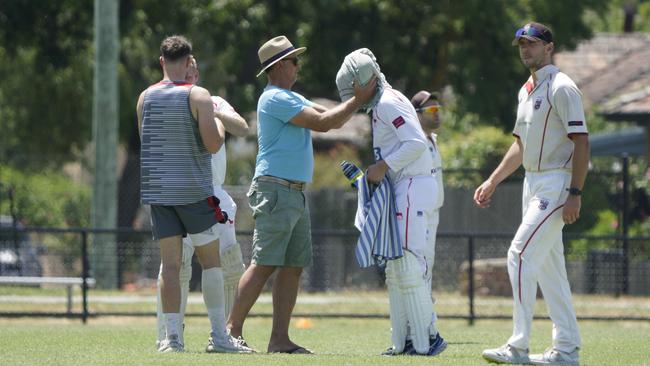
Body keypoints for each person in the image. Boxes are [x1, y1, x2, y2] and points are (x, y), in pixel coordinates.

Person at [225, 35, 377, 354]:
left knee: (293, 266)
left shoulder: (291, 97)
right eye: (294, 60)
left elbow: (328, 111)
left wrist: (357, 99)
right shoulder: (275, 98)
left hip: (293, 192)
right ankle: (228, 333)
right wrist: (358, 98)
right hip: (276, 189)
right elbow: (324, 123)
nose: (298, 66)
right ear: (280, 65)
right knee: (264, 263)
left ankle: (279, 339)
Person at [474, 22, 588, 366]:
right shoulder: (526, 89)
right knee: (550, 269)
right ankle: (566, 350)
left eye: (533, 44)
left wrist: (575, 192)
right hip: (532, 183)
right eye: (522, 44)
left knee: (519, 255)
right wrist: (493, 180)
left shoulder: (562, 87)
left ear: (549, 48)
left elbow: (581, 142)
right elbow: (520, 145)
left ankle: (518, 346)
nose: (526, 50)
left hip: (556, 182)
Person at [137, 35, 247, 353]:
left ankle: (172, 339)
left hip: (160, 194)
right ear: (189, 62)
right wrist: (213, 126)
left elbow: (149, 142)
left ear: (161, 61)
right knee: (211, 265)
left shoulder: (145, 97)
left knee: (170, 267)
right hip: (194, 193)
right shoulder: (199, 95)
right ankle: (219, 336)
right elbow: (214, 145)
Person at [336, 49, 447, 357]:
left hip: (411, 184)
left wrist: (383, 166)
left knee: (409, 264)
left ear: (366, 80)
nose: (352, 98)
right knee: (397, 268)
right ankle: (404, 342)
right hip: (403, 186)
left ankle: (430, 338)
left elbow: (414, 143)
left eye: (353, 91)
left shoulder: (387, 102)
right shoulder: (381, 103)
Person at [410, 90, 444, 347]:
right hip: (420, 215)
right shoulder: (415, 140)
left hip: (433, 214)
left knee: (427, 270)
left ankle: (425, 326)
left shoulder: (433, 140)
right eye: (431, 110)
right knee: (419, 270)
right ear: (417, 114)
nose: (437, 114)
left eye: (438, 109)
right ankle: (418, 328)